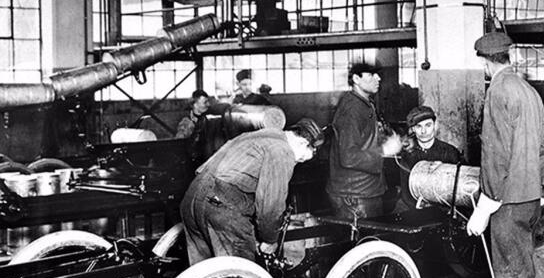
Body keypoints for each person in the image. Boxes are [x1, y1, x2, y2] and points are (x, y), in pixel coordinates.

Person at [466, 32, 544, 278]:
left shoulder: (498, 91)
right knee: (525, 274)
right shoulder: (529, 91)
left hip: (508, 203)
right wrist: (539, 188)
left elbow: (495, 153)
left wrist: (485, 206)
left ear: (486, 62)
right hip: (530, 199)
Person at [180, 118, 321, 264]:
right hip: (220, 208)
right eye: (301, 159)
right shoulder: (282, 151)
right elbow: (271, 206)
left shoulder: (258, 136)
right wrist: (269, 240)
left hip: (192, 197)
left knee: (205, 275)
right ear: (303, 143)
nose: (297, 162)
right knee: (240, 276)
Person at [327, 61, 394, 220]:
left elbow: (364, 138)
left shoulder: (364, 103)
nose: (378, 78)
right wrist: (385, 150)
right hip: (355, 196)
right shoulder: (352, 109)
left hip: (364, 190)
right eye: (371, 74)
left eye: (377, 74)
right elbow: (349, 156)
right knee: (365, 243)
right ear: (356, 79)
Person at [393, 105, 462, 212]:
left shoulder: (449, 152)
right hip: (414, 209)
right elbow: (406, 193)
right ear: (413, 129)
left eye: (428, 125)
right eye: (419, 127)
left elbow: (461, 187)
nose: (424, 131)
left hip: (444, 209)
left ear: (435, 125)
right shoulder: (407, 155)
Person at [174, 89, 212, 161]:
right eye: (205, 102)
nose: (208, 104)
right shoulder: (187, 122)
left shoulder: (205, 119)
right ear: (195, 105)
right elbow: (178, 144)